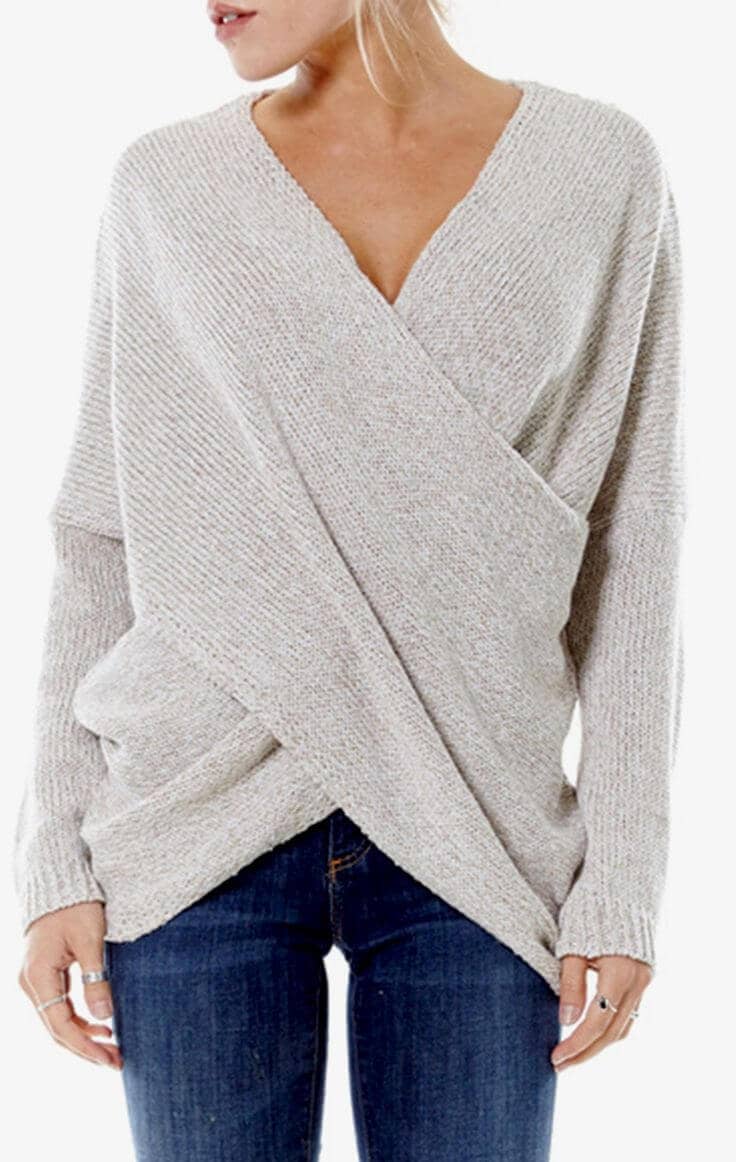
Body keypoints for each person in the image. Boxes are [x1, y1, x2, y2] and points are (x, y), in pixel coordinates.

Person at [14, 1, 687, 1158]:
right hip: (193, 817)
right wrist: (52, 857)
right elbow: (102, 531)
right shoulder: (167, 186)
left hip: (477, 824)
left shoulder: (599, 168)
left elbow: (634, 539)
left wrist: (623, 876)